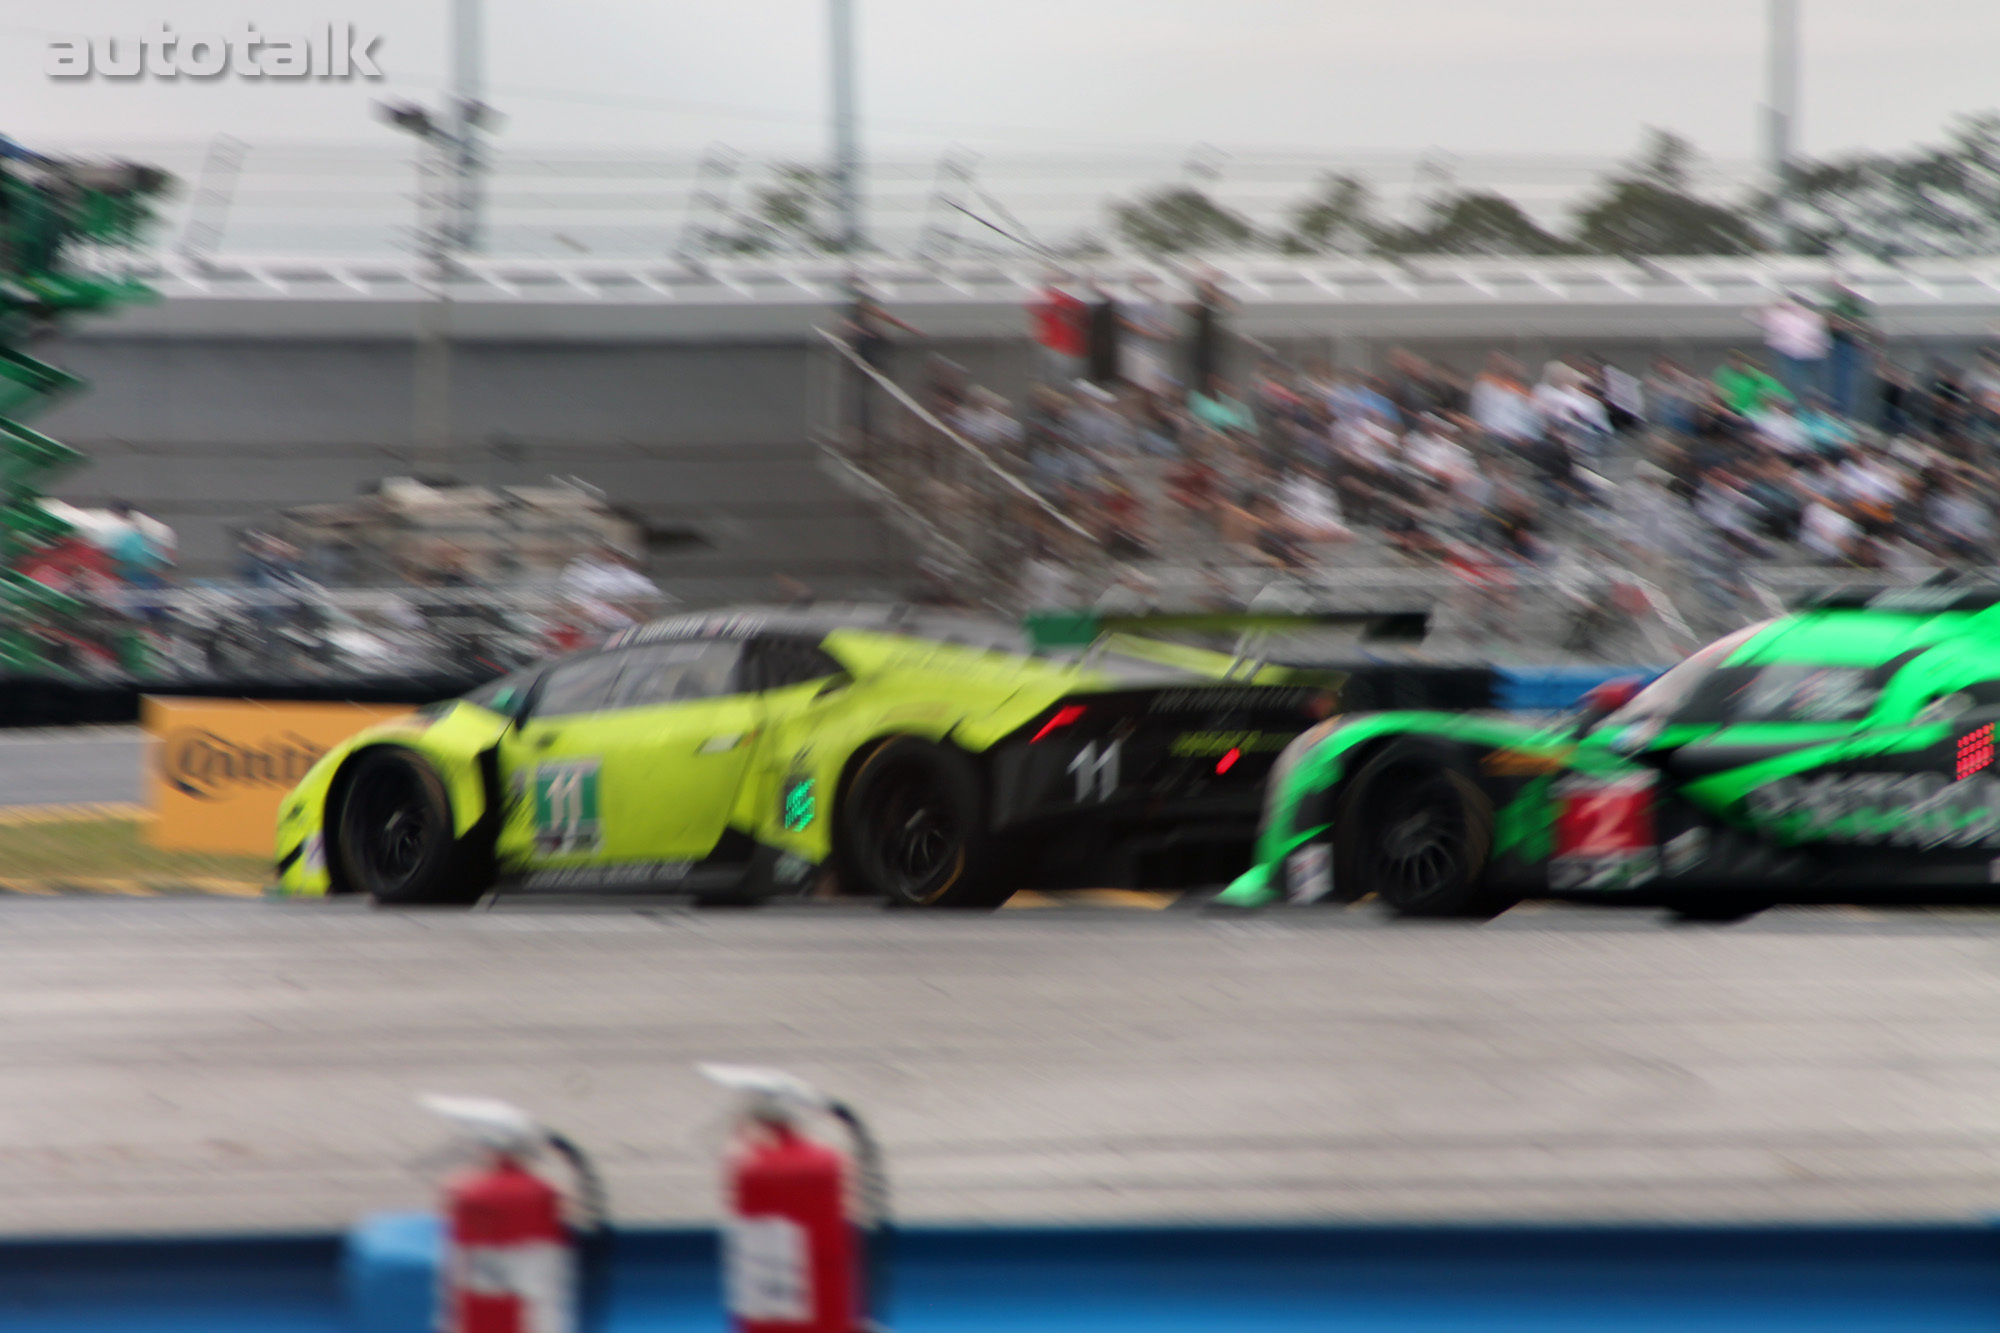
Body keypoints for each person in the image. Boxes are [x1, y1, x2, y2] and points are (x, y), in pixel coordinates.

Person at [1755, 292, 1830, 399]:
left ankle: (1801, 400)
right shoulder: (1811, 316)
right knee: (1809, 382)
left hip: (1792, 353)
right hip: (1807, 353)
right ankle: (1808, 399)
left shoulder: (1779, 315)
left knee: (1794, 382)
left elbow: (1763, 319)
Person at [1030, 273, 1089, 384]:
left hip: (1065, 347)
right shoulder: (1058, 297)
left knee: (1063, 378)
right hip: (1060, 346)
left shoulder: (1060, 297)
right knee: (1064, 378)